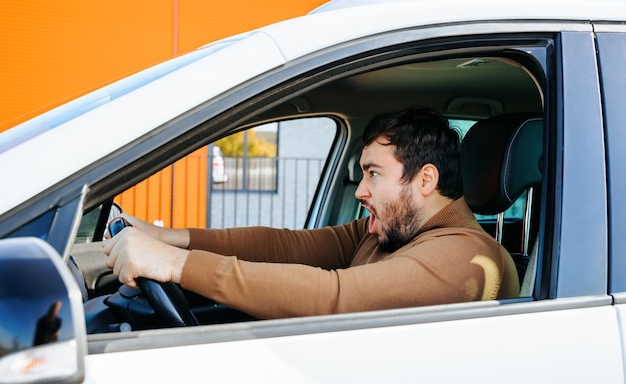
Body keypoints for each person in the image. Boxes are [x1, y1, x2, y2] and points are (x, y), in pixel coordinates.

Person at [103, 106, 520, 320]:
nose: (360, 191)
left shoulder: (466, 258)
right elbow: (287, 246)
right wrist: (172, 238)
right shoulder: (391, 233)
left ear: (425, 180)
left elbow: (335, 296)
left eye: (374, 174)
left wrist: (177, 265)